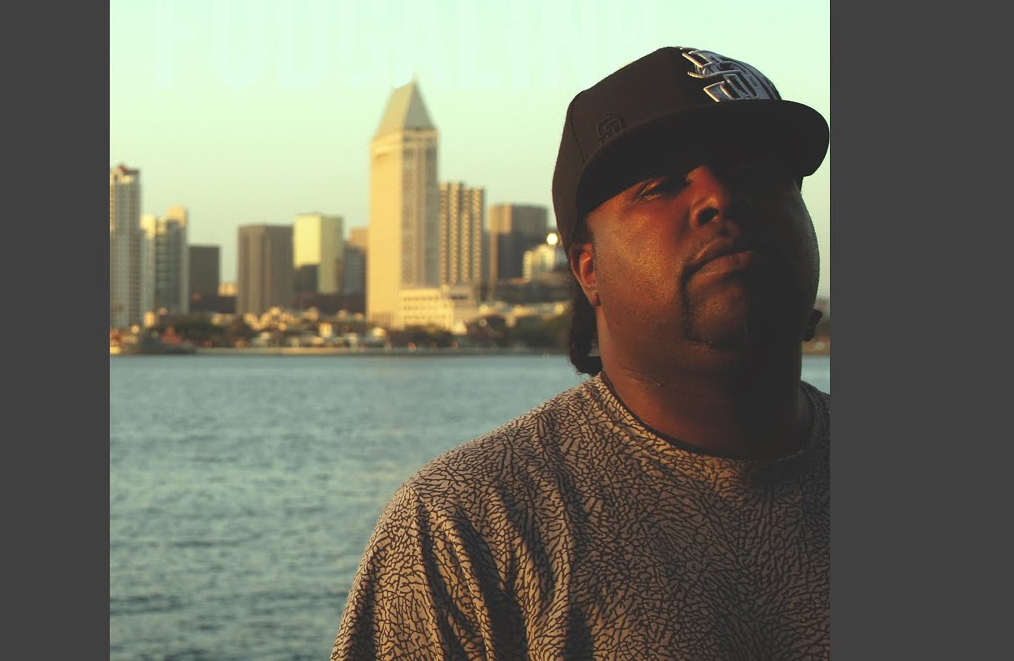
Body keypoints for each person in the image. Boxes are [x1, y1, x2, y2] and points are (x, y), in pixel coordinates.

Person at [331, 46, 831, 660]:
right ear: (588, 268)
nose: (721, 197)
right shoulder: (468, 527)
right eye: (661, 185)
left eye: (754, 170)